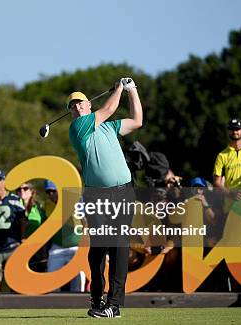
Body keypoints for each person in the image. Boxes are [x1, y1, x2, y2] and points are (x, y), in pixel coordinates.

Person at [68, 77, 142, 318]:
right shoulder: (78, 128)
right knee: (99, 248)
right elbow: (109, 108)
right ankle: (97, 297)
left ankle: (114, 304)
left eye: (80, 103)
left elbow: (137, 121)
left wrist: (132, 91)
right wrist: (120, 86)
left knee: (120, 246)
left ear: (88, 105)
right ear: (72, 113)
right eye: (73, 105)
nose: (77, 107)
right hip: (96, 195)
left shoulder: (109, 127)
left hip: (123, 192)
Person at [44, 180, 85, 292]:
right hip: (57, 248)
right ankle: (53, 307)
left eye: (53, 191)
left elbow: (86, 221)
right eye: (48, 192)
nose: (51, 194)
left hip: (76, 247)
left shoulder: (77, 200)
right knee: (51, 284)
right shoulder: (48, 205)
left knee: (78, 285)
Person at [17, 181, 47, 272]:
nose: (22, 191)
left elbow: (44, 227)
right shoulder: (14, 206)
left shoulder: (39, 207)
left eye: (25, 188)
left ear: (31, 191)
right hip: (18, 249)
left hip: (37, 248)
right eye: (19, 189)